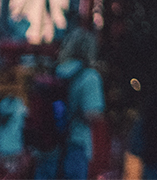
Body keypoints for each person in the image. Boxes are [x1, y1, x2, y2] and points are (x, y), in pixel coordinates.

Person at [31, 29, 103, 180]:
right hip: (75, 144)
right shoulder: (90, 76)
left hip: (48, 144)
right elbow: (91, 114)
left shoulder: (54, 71)